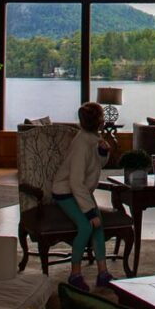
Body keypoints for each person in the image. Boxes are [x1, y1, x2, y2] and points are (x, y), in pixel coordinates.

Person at [52, 102, 115, 291]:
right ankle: (75, 274)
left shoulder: (93, 139)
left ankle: (103, 273)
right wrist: (89, 213)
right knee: (87, 226)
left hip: (82, 192)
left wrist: (103, 152)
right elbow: (75, 182)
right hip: (65, 192)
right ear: (98, 121)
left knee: (99, 225)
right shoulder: (81, 144)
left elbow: (97, 165)